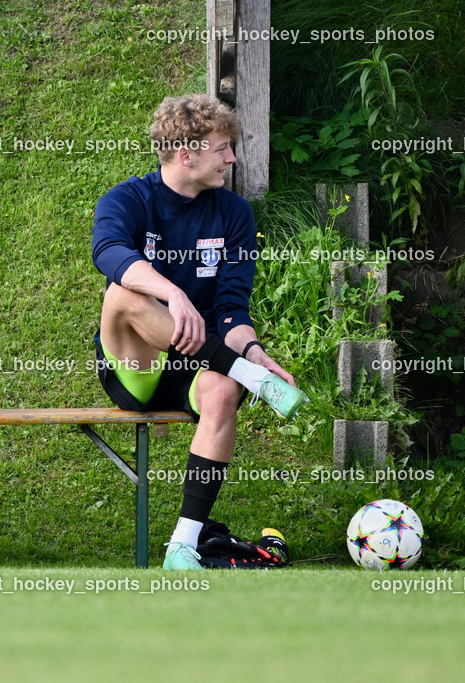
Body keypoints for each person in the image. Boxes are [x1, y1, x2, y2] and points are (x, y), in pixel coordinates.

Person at [92, 93, 308, 571]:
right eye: (222, 149)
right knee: (121, 294)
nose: (231, 159)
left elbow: (232, 309)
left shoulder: (233, 213)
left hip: (203, 359)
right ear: (186, 153)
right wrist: (174, 292)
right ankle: (248, 376)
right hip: (137, 364)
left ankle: (182, 547)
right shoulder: (127, 199)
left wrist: (254, 352)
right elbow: (107, 252)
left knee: (225, 384)